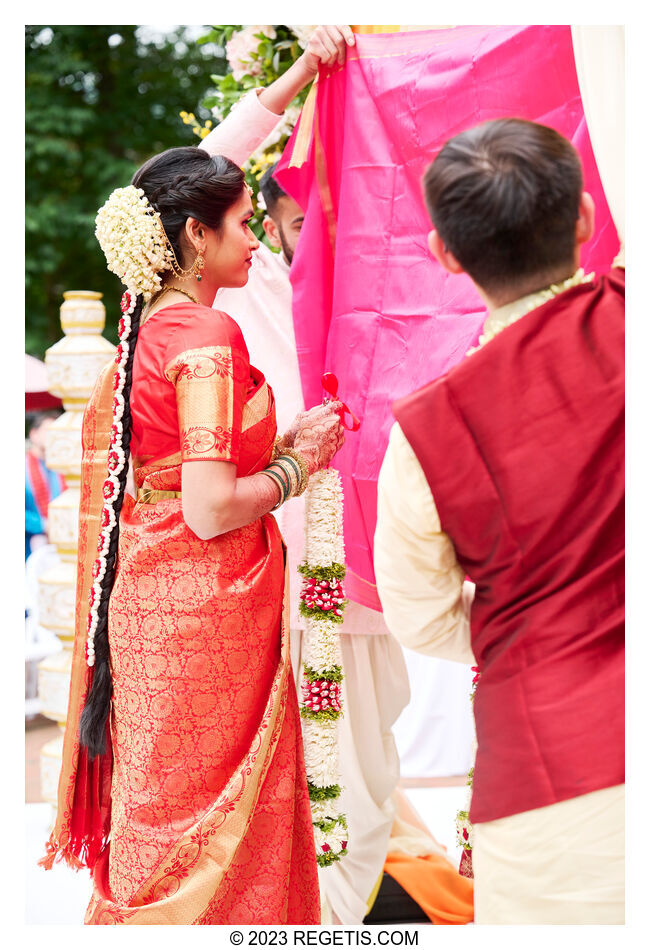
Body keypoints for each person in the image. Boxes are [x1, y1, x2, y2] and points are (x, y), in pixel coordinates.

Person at [41, 144, 346, 925]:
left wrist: (277, 454)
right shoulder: (205, 334)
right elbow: (210, 509)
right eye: (244, 223)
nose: (254, 238)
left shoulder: (144, 336)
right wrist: (300, 464)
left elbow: (175, 479)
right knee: (213, 827)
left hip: (151, 602)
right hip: (205, 612)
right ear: (195, 239)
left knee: (159, 819)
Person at [374, 118, 624, 924]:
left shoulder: (427, 431)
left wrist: (535, 621)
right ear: (585, 217)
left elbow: (423, 620)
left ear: (447, 256)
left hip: (552, 781)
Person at [199, 28, 414, 923]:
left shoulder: (395, 291)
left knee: (362, 782)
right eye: (283, 218)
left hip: (374, 577)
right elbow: (195, 172)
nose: (304, 230)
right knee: (283, 784)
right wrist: (297, 76)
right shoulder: (249, 285)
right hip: (266, 577)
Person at [25, 411, 64, 559]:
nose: (54, 437)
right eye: (49, 431)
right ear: (33, 434)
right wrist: (43, 525)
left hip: (61, 543)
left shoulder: (63, 468)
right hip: (29, 546)